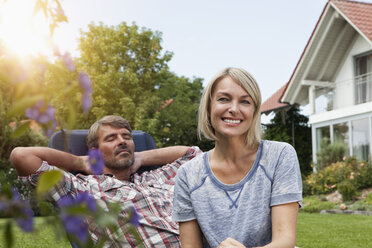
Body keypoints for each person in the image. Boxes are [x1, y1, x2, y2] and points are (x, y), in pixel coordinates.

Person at [10, 115, 201, 247]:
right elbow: (22, 157)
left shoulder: (155, 177)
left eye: (126, 137)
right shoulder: (83, 190)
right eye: (111, 138)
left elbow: (194, 155)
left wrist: (141, 157)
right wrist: (78, 161)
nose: (122, 141)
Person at [172, 68, 302, 248]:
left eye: (245, 101)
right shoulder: (188, 175)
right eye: (223, 99)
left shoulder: (280, 156)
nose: (234, 109)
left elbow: (285, 240)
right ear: (209, 107)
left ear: (254, 111)